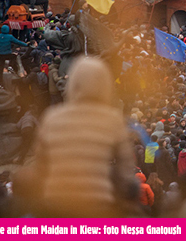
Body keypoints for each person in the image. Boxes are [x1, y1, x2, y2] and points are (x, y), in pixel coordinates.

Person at [20, 57, 135, 217]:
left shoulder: (52, 117)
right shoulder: (112, 119)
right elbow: (126, 172)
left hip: (55, 204)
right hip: (97, 205)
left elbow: (40, 165)